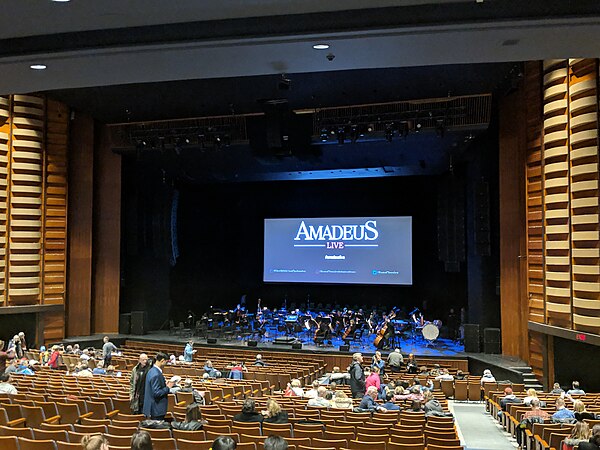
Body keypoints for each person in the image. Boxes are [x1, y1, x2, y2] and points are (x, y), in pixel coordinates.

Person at [142, 352, 174, 420]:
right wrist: (168, 388)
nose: (166, 364)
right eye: (166, 362)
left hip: (152, 408)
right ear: (162, 361)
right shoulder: (156, 374)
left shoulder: (151, 370)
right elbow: (156, 393)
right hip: (156, 409)